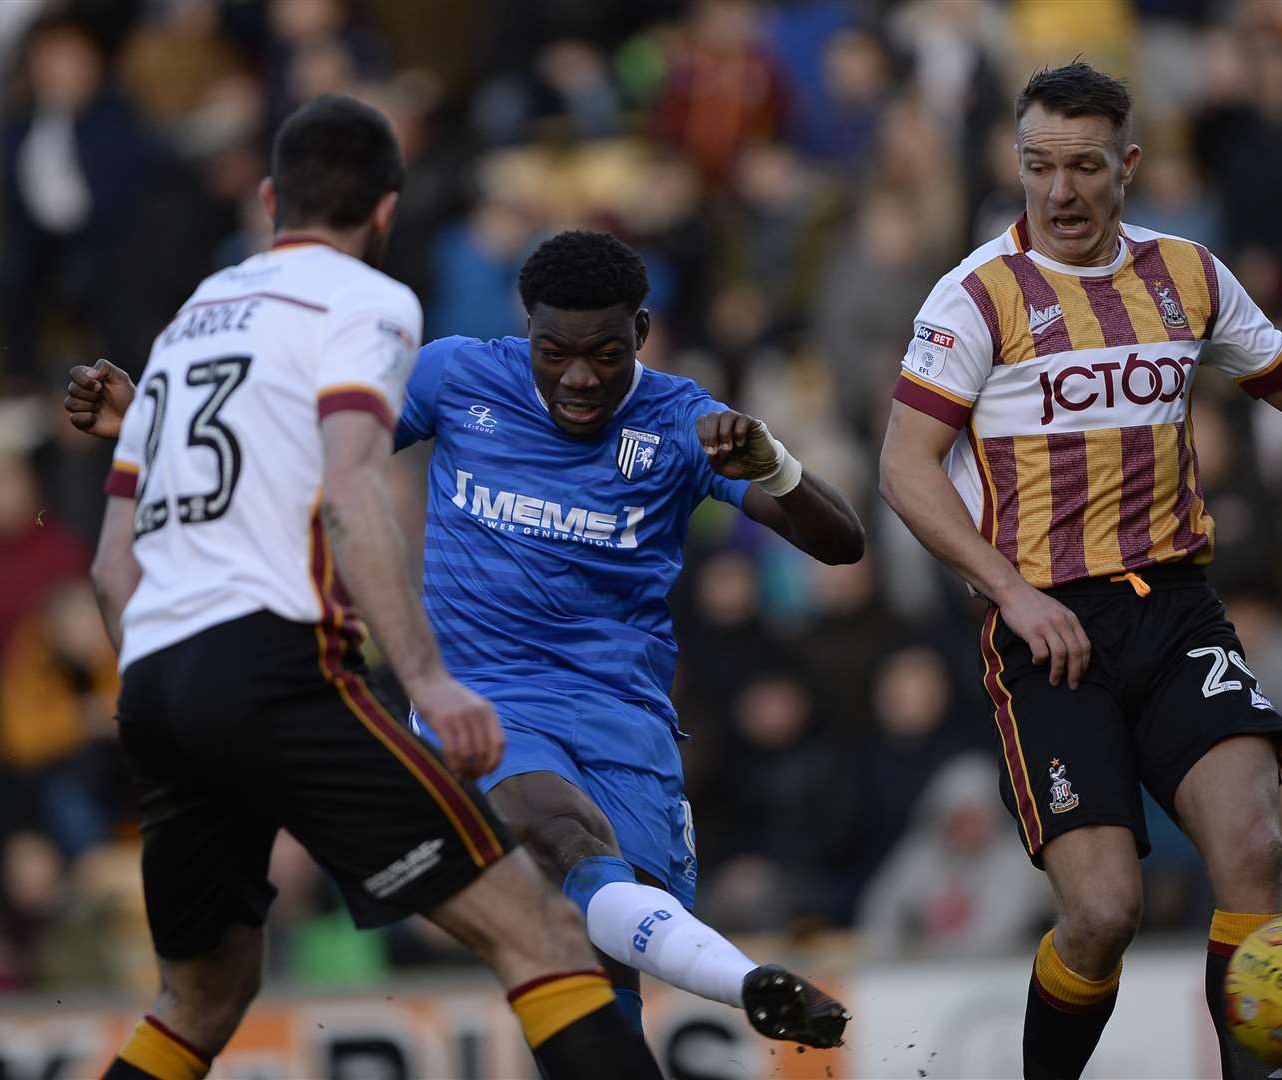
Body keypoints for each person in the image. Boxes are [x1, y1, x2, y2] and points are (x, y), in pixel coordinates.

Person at [877, 63, 1282, 1080]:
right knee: (1102, 914)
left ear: (1128, 166)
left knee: (1255, 851)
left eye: (1085, 167)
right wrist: (1011, 593)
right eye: (1037, 166)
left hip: (1175, 606)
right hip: (1047, 630)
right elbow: (901, 466)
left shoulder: (1185, 275)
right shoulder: (976, 297)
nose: (1059, 192)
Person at [66, 229, 863, 1048]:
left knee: (602, 977)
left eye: (605, 355)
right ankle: (744, 981)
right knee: (562, 837)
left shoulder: (683, 421)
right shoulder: (454, 376)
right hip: (485, 700)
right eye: (554, 351)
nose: (579, 377)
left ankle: (715, 992)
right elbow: (295, 452)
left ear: (642, 336)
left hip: (629, 722)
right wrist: (148, 430)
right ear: (528, 333)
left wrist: (775, 469)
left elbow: (843, 543)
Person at [80, 96, 660, 1080]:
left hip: (155, 685)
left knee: (201, 997)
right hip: (275, 667)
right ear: (386, 213)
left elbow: (108, 566)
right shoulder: (364, 300)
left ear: (269, 199)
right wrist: (430, 683)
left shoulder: (187, 323)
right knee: (543, 940)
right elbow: (351, 482)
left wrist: (171, 694)